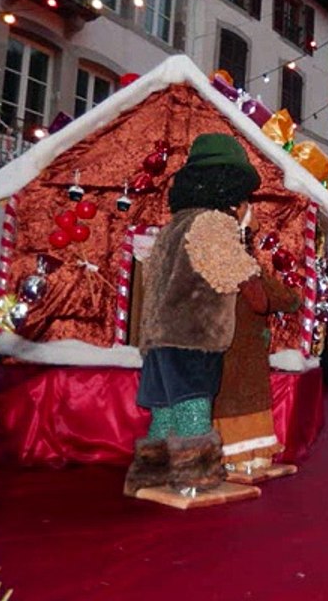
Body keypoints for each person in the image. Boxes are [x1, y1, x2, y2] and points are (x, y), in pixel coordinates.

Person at [124, 133, 262, 496]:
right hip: (193, 335)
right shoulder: (213, 222)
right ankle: (196, 478)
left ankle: (151, 475)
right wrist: (255, 281)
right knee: (192, 406)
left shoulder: (172, 228)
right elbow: (230, 269)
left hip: (157, 338)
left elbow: (153, 280)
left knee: (164, 411)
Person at [213, 215, 301, 479]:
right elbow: (283, 300)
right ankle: (252, 458)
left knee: (225, 399)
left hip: (220, 348)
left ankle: (229, 457)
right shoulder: (247, 269)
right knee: (246, 399)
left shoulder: (207, 264)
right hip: (247, 348)